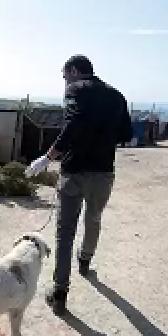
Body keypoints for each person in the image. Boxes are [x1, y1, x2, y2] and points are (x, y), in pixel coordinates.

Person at [41, 55, 133, 315]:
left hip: (75, 171)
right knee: (94, 218)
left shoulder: (76, 90)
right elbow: (126, 134)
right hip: (104, 172)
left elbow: (72, 125)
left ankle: (60, 292)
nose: (64, 83)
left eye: (64, 77)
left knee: (65, 231)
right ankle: (85, 260)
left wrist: (48, 157)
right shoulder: (117, 96)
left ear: (73, 71)